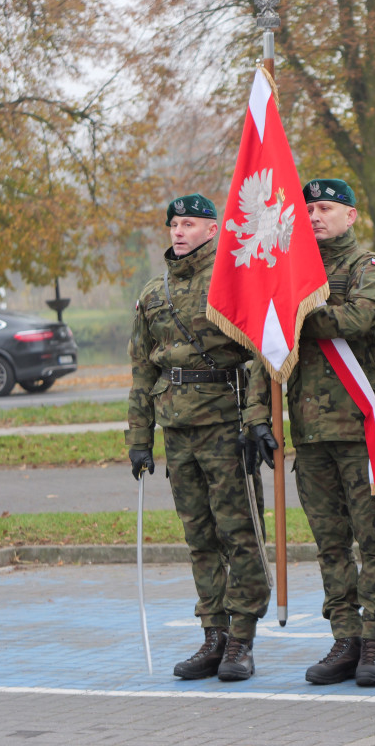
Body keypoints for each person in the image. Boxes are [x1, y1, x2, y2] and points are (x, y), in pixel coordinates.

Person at [256, 178, 375, 687]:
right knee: (331, 545)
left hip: (361, 429)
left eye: (325, 208)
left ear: (351, 215)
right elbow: (268, 352)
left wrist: (294, 312)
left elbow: (358, 319)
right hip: (311, 435)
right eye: (308, 209)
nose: (315, 216)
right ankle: (346, 639)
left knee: (374, 542)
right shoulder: (290, 272)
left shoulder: (369, 267)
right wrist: (259, 417)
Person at [126, 193, 272, 682]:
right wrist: (139, 437)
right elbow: (142, 372)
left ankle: (242, 638)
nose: (179, 231)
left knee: (239, 533)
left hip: (225, 426)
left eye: (190, 223)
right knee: (199, 537)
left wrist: (257, 419)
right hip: (177, 431)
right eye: (174, 224)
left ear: (213, 229)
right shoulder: (153, 294)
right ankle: (213, 633)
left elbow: (260, 357)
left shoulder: (234, 282)